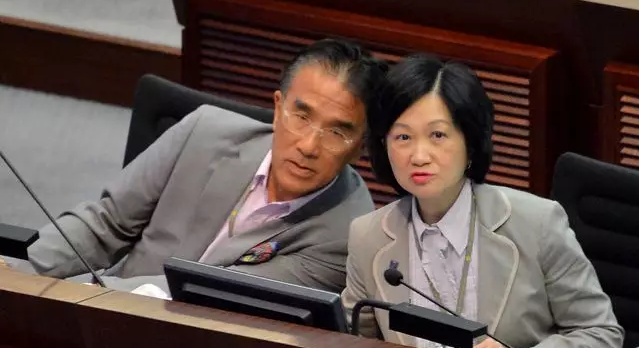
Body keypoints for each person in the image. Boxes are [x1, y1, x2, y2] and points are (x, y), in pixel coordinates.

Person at [28, 39, 387, 295]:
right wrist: (20, 268)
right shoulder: (203, 132)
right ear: (278, 108)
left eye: (337, 132)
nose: (308, 146)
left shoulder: (347, 236)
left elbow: (216, 295)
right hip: (105, 301)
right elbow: (104, 223)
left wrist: (93, 296)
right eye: (301, 116)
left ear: (360, 147)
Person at [341, 55, 624, 348]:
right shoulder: (369, 237)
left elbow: (600, 334)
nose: (419, 156)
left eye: (438, 135)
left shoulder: (537, 223)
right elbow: (354, 344)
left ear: (470, 143)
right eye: (403, 137)